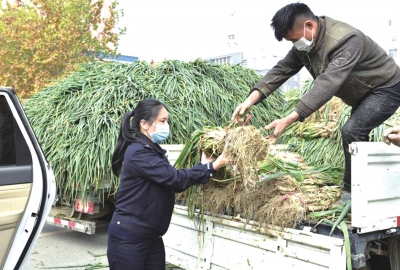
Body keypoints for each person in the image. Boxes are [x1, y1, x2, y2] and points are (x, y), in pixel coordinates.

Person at [232, 2, 400, 203]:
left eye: (294, 39)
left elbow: (327, 83)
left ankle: (352, 192)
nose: (295, 45)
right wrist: (250, 100)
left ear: (309, 26)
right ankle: (367, 184)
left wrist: (288, 119)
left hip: (386, 86)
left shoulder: (346, 40)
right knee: (357, 135)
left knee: (352, 131)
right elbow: (281, 70)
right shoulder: (304, 45)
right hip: (362, 91)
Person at [107, 98, 228, 270]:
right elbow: (175, 179)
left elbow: (169, 178)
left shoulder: (152, 149)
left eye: (167, 121)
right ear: (145, 124)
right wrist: (213, 166)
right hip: (130, 237)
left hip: (151, 236)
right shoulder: (139, 152)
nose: (166, 125)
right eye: (163, 121)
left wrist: (203, 166)